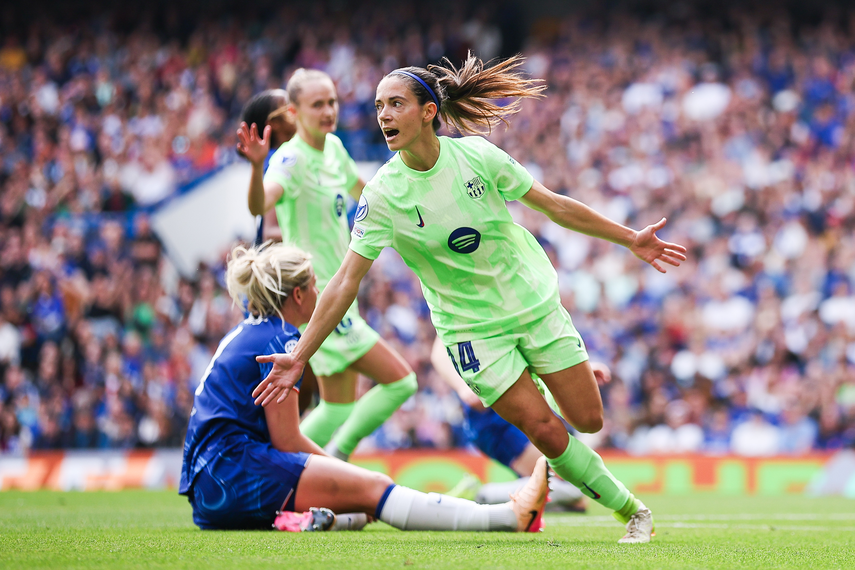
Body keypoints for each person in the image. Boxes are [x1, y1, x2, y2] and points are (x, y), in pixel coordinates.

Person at [252, 54, 688, 543]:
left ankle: (550, 383)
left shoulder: (478, 157)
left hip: (532, 304)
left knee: (588, 419)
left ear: (428, 112)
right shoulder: (383, 195)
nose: (383, 115)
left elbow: (555, 205)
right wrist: (298, 356)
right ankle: (633, 511)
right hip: (471, 333)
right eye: (378, 106)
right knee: (545, 430)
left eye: (396, 104)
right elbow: (344, 282)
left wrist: (631, 239)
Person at [178, 242, 549, 532]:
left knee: (360, 498)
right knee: (373, 487)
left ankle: (312, 521)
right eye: (315, 283)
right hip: (232, 474)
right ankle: (508, 516)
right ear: (298, 296)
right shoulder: (283, 341)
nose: (321, 290)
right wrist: (347, 474)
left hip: (212, 487)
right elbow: (287, 442)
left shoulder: (251, 332)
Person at [237, 69, 417, 461]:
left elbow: (366, 193)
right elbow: (258, 205)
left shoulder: (334, 148)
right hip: (318, 298)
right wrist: (255, 166)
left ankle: (286, 471)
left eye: (332, 102)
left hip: (341, 295)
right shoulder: (289, 158)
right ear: (294, 111)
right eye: (317, 104)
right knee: (402, 381)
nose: (328, 110)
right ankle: (335, 460)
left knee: (336, 407)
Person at [432, 337, 587, 511]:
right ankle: (480, 495)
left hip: (517, 406)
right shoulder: (465, 311)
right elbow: (439, 351)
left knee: (567, 494)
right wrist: (463, 388)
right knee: (572, 491)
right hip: (494, 417)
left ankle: (488, 495)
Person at [236, 89, 296, 245]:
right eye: (288, 106)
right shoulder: (278, 162)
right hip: (281, 264)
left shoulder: (296, 153)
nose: (296, 108)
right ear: (273, 124)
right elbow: (270, 231)